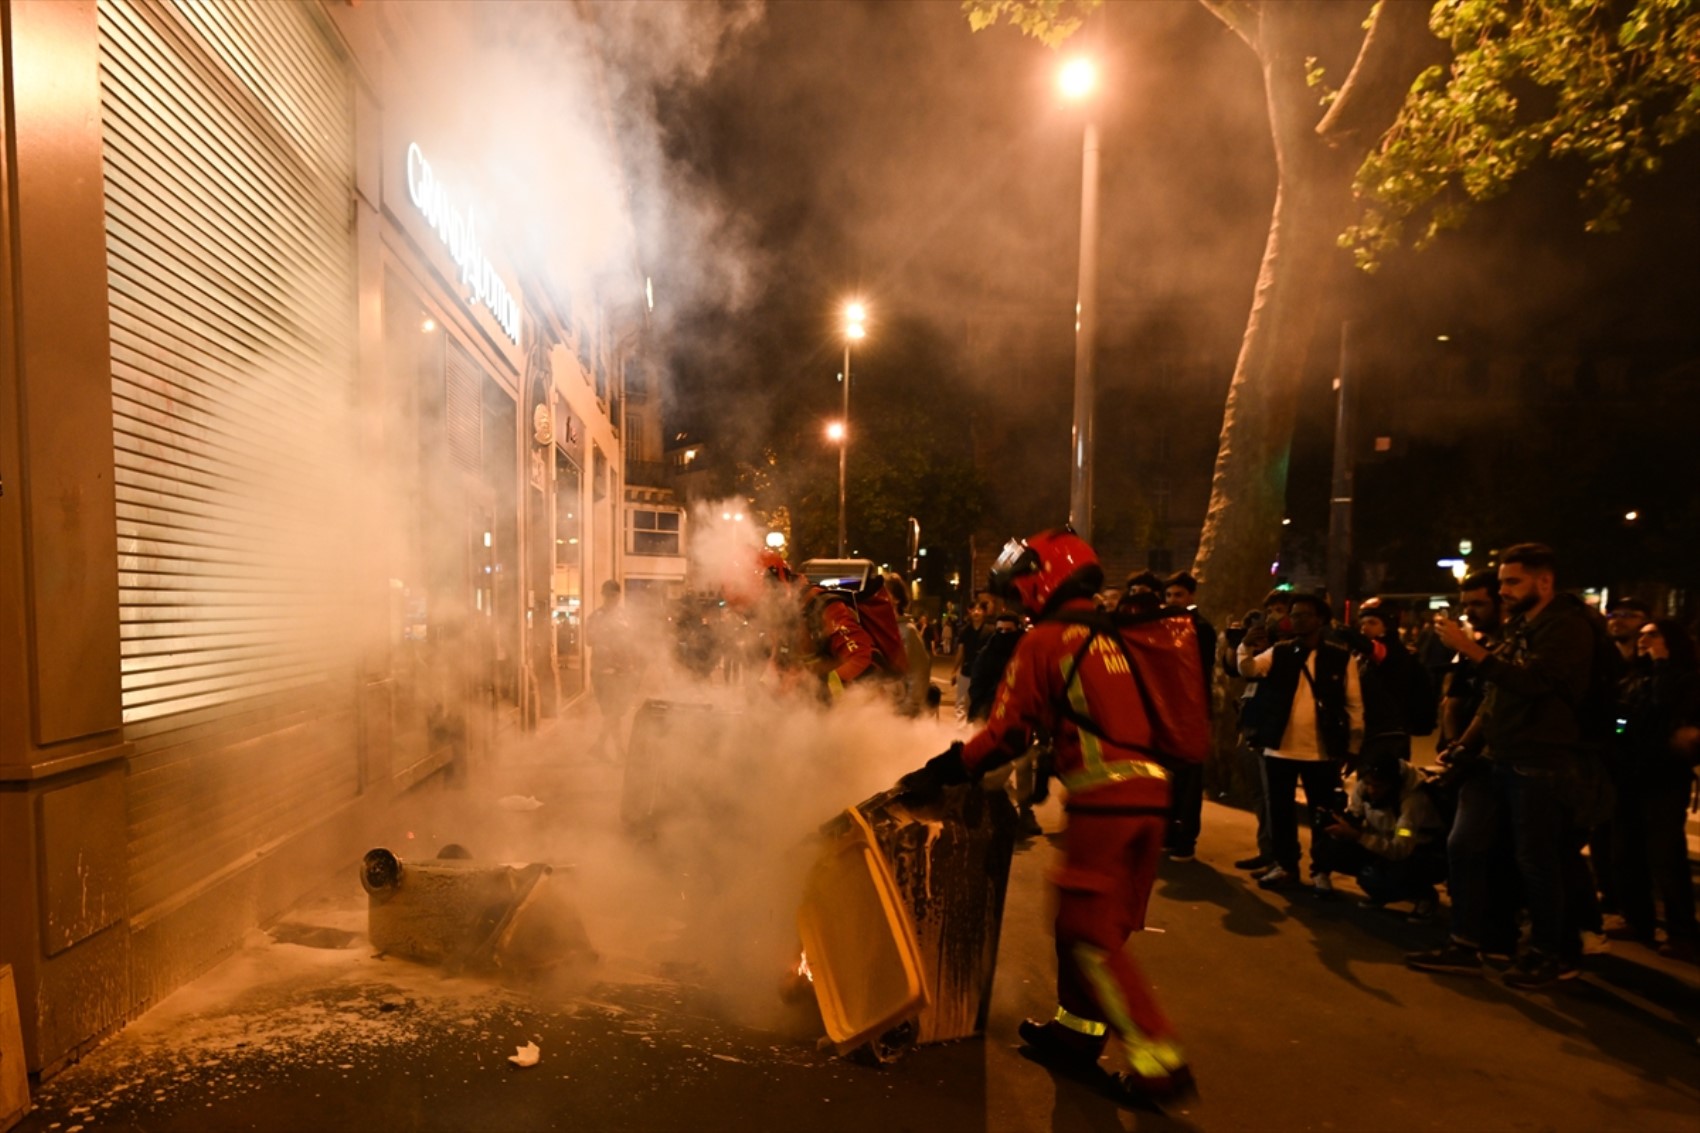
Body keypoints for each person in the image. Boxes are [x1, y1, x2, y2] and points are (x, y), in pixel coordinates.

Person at [901, 528, 1204, 1099]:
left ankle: (1159, 1059)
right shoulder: (1116, 634)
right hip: (1150, 795)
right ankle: (1076, 1032)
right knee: (1092, 925)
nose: (1018, 595)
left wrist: (946, 767)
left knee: (1088, 934)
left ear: (1042, 580)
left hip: (1106, 798)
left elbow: (1008, 732)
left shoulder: (1046, 641)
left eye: (1020, 584)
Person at [1410, 543, 1605, 989]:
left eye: (1513, 582)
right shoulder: (1521, 625)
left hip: (1540, 762)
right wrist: (1463, 746)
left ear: (1545, 581)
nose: (1505, 591)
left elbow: (1534, 683)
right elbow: (1497, 698)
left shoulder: (1568, 627)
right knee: (1464, 845)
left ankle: (1550, 953)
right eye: (1502, 583)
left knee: (1536, 861)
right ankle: (1465, 943)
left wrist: (1472, 651)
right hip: (1495, 759)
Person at [1236, 591, 1364, 894]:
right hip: (1279, 746)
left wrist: (1353, 747)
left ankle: (1322, 869)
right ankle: (1285, 865)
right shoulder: (1280, 652)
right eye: (1294, 615)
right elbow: (1249, 669)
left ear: (1320, 619)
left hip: (1321, 751)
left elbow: (1354, 704)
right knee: (1280, 811)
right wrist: (1244, 645)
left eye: (1305, 615)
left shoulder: (1339, 657)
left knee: (1323, 814)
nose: (1298, 620)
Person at [1609, 618, 1700, 959]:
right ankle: (1637, 919)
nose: (1644, 641)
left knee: (1665, 856)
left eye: (1653, 635)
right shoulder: (1636, 677)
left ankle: (1682, 932)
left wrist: (1661, 664)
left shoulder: (1684, 679)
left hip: (1664, 778)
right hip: (1630, 774)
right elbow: (1622, 716)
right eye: (1643, 635)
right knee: (1625, 852)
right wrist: (1617, 737)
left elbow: (1665, 709)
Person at [1321, 740, 1447, 922]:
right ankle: (1381, 888)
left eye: (1378, 786)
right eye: (1369, 783)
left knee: (1376, 877)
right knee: (1328, 849)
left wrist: (1357, 836)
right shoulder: (1364, 786)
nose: (1371, 790)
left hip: (1417, 849)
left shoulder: (1413, 801)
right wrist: (1343, 825)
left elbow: (1401, 848)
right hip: (1382, 841)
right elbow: (1356, 814)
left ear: (1392, 784)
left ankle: (1424, 895)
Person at [1161, 571, 1216, 861]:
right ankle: (1169, 834)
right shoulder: (1164, 625)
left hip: (1191, 712)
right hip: (1167, 710)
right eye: (1168, 595)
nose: (1172, 601)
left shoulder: (1200, 628)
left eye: (1178, 595)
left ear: (1191, 597)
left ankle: (1185, 840)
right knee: (1167, 779)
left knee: (1189, 780)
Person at [586, 580, 636, 760]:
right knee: (612, 711)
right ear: (604, 595)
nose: (612, 599)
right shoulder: (595, 617)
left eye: (615, 595)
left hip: (623, 671)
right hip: (603, 671)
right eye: (609, 595)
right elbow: (589, 641)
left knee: (615, 712)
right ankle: (619, 751)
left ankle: (599, 746)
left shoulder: (625, 617)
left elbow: (631, 642)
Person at [888, 575, 933, 717]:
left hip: (901, 713)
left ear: (896, 599)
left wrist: (908, 710)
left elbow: (919, 674)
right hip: (883, 711)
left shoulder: (907, 631)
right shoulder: (881, 629)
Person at [952, 603, 989, 724]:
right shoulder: (964, 631)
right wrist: (954, 671)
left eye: (979, 609)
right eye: (973, 609)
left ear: (984, 612)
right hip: (966, 672)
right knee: (961, 704)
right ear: (970, 612)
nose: (976, 612)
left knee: (981, 704)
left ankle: (978, 732)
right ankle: (961, 733)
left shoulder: (990, 631)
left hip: (983, 674)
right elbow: (960, 652)